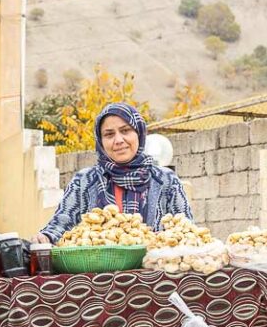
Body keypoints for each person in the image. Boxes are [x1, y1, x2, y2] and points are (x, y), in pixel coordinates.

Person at [32, 102, 191, 245]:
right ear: (100, 141)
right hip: (98, 274)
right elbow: (62, 222)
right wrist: (47, 236)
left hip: (154, 274)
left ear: (139, 133)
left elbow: (186, 229)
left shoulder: (165, 180)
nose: (118, 140)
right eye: (109, 134)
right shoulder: (84, 181)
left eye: (125, 130)